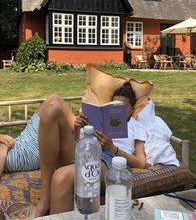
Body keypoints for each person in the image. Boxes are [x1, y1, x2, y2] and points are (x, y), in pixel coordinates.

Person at [36, 82, 147, 216]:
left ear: (132, 109)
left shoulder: (136, 126)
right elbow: (79, 142)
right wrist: (77, 129)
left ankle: (45, 206)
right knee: (52, 107)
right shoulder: (102, 122)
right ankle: (45, 198)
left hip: (107, 160)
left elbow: (141, 163)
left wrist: (113, 149)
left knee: (62, 177)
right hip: (85, 150)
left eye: (123, 107)